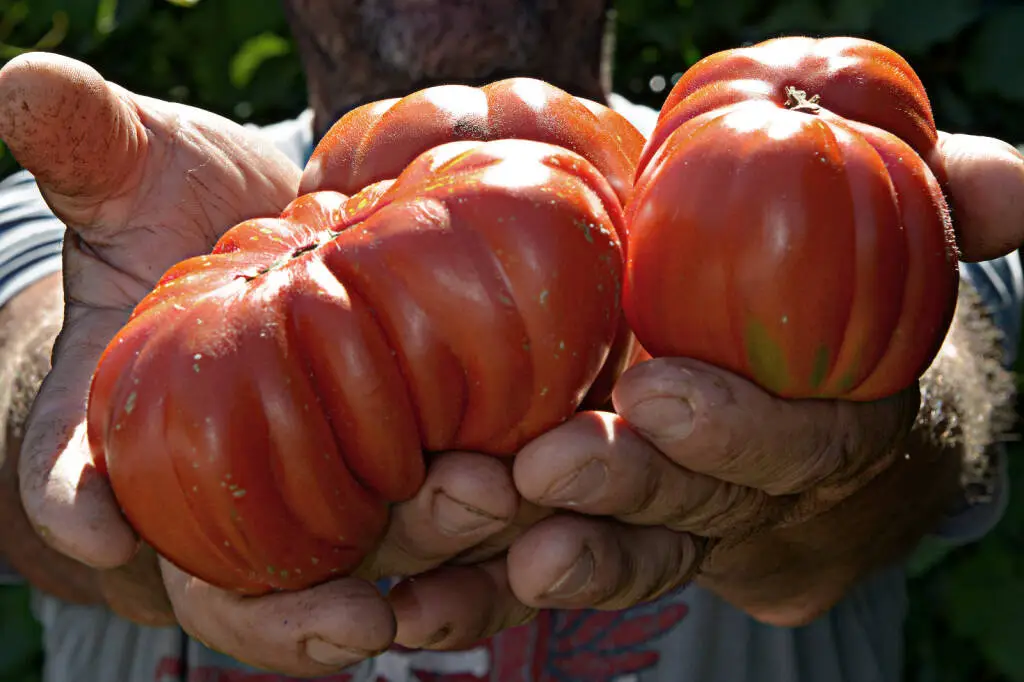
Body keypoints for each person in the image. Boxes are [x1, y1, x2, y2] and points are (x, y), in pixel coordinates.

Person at [1, 1, 1022, 680]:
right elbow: (25, 371)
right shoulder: (114, 229)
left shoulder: (825, 161)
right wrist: (110, 459)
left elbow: (949, 383)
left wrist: (845, 465)